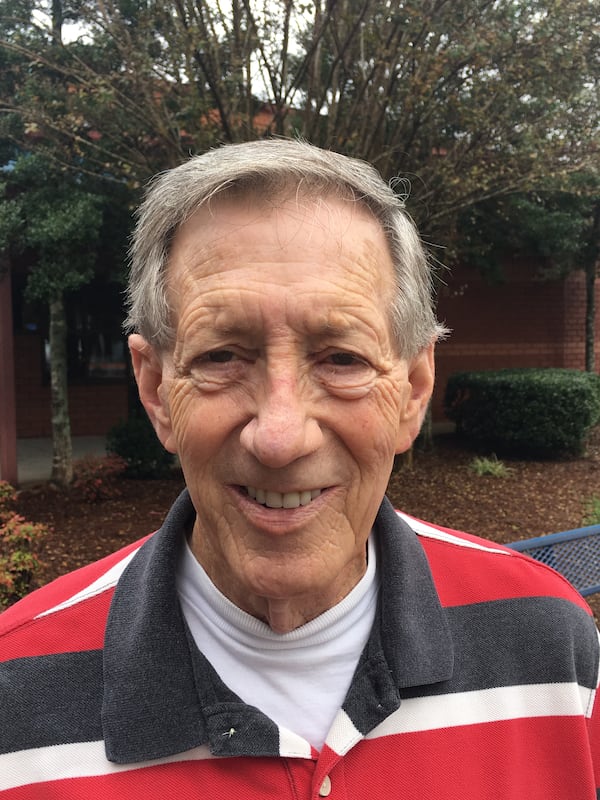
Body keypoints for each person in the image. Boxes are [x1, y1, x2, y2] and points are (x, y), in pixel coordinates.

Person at [1, 139, 599, 799]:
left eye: (341, 359)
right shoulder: (14, 696)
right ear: (155, 390)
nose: (280, 437)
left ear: (415, 390)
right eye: (222, 356)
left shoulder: (553, 654)